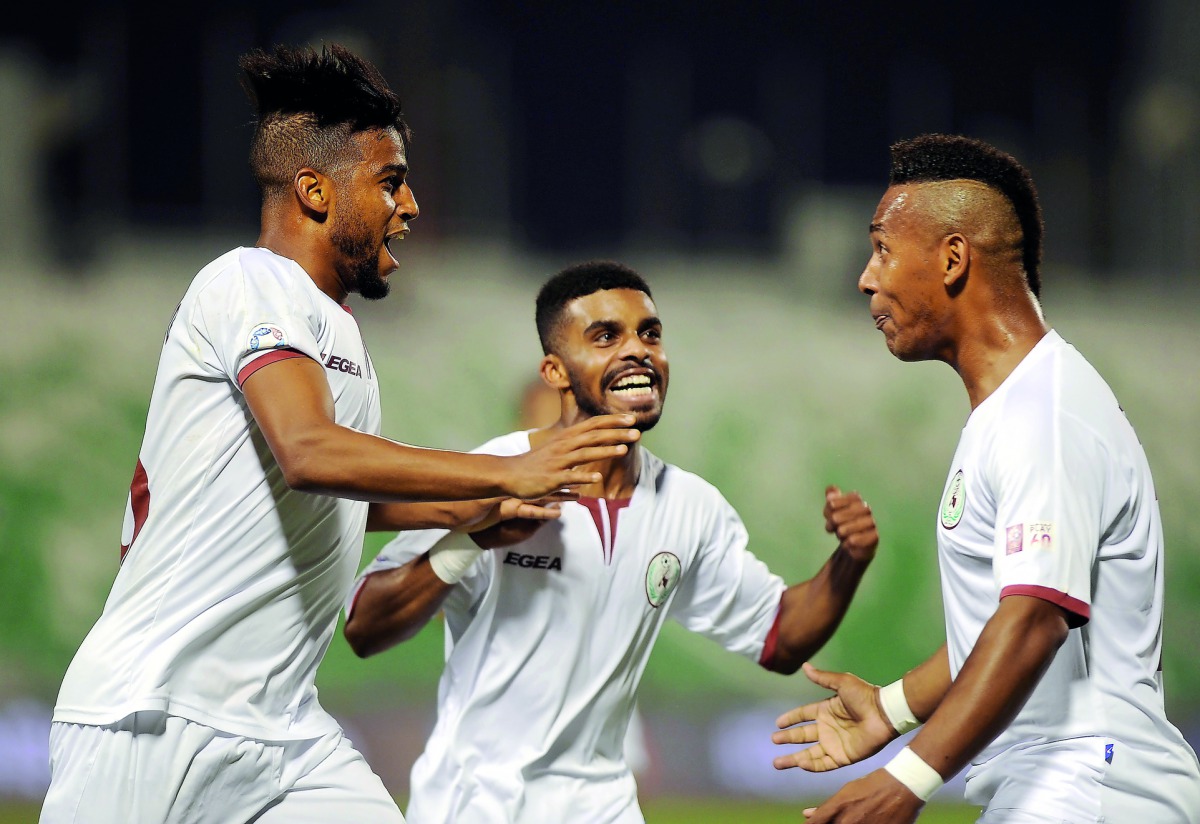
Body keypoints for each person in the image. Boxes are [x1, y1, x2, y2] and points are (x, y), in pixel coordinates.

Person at [39, 44, 638, 824]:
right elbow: (309, 453)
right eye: (390, 181)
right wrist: (504, 474)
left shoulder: (340, 337)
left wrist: (479, 521)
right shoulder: (249, 282)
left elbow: (337, 499)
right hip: (158, 714)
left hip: (285, 737)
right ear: (316, 191)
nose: (412, 204)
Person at [343, 260, 881, 823]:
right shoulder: (487, 474)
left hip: (606, 808)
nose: (639, 350)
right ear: (554, 371)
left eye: (650, 333)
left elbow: (781, 637)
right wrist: (471, 541)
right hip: (474, 806)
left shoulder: (688, 506)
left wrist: (848, 561)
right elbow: (365, 628)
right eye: (606, 336)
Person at [771, 134, 1200, 823]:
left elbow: (1034, 620)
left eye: (882, 248)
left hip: (1092, 787)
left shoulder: (1044, 413)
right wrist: (891, 708)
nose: (865, 278)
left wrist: (905, 779)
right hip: (1066, 786)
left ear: (951, 259)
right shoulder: (1015, 409)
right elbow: (1005, 620)